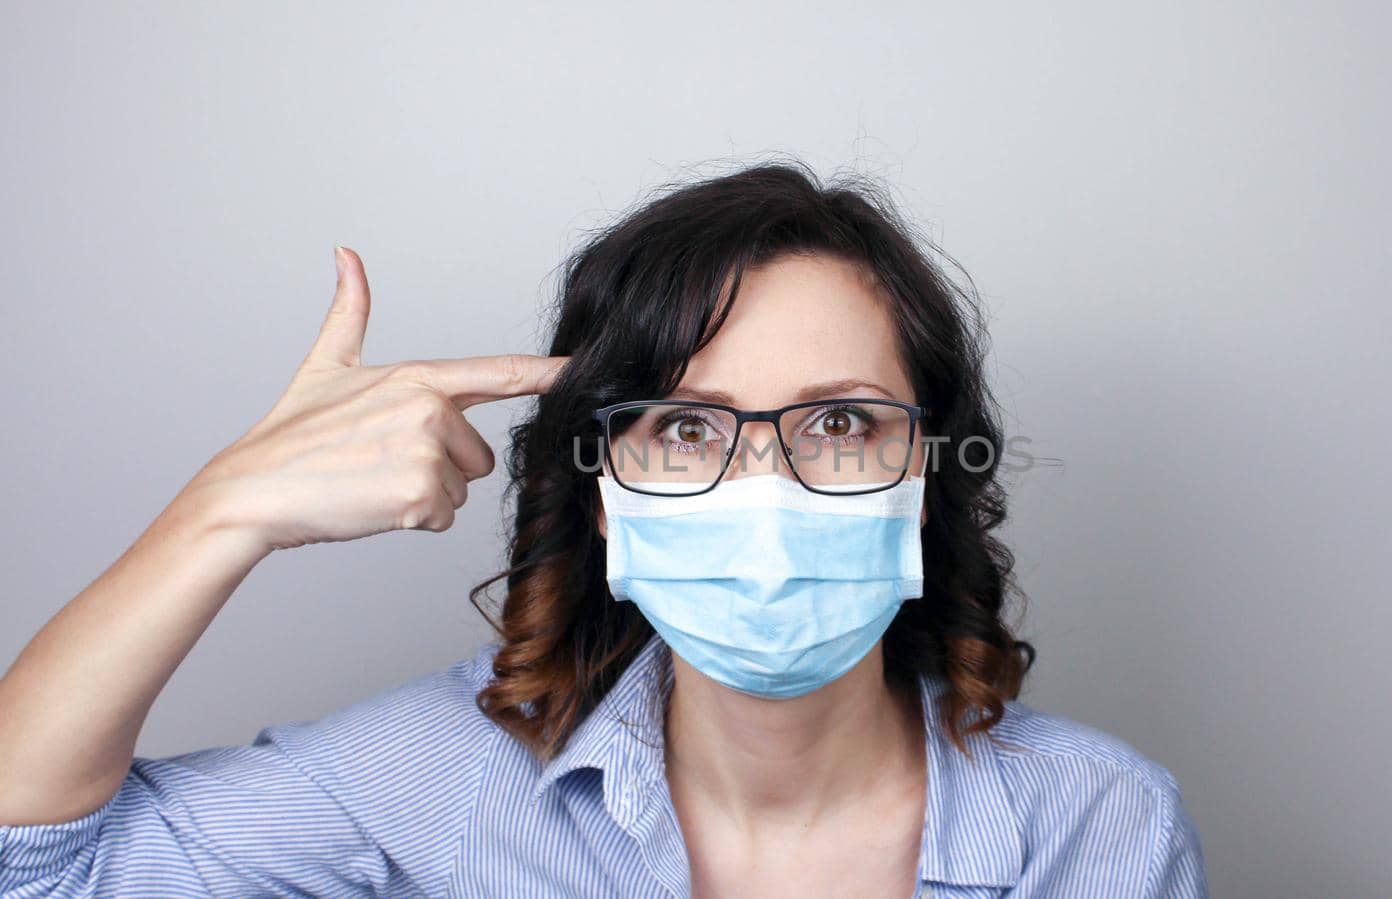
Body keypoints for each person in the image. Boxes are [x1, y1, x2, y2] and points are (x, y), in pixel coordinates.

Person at [0, 161, 1207, 898]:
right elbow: (37, 865)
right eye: (686, 428)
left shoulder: (1100, 821)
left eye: (838, 419)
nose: (764, 490)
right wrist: (225, 509)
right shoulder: (451, 778)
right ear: (599, 485)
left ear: (928, 468)